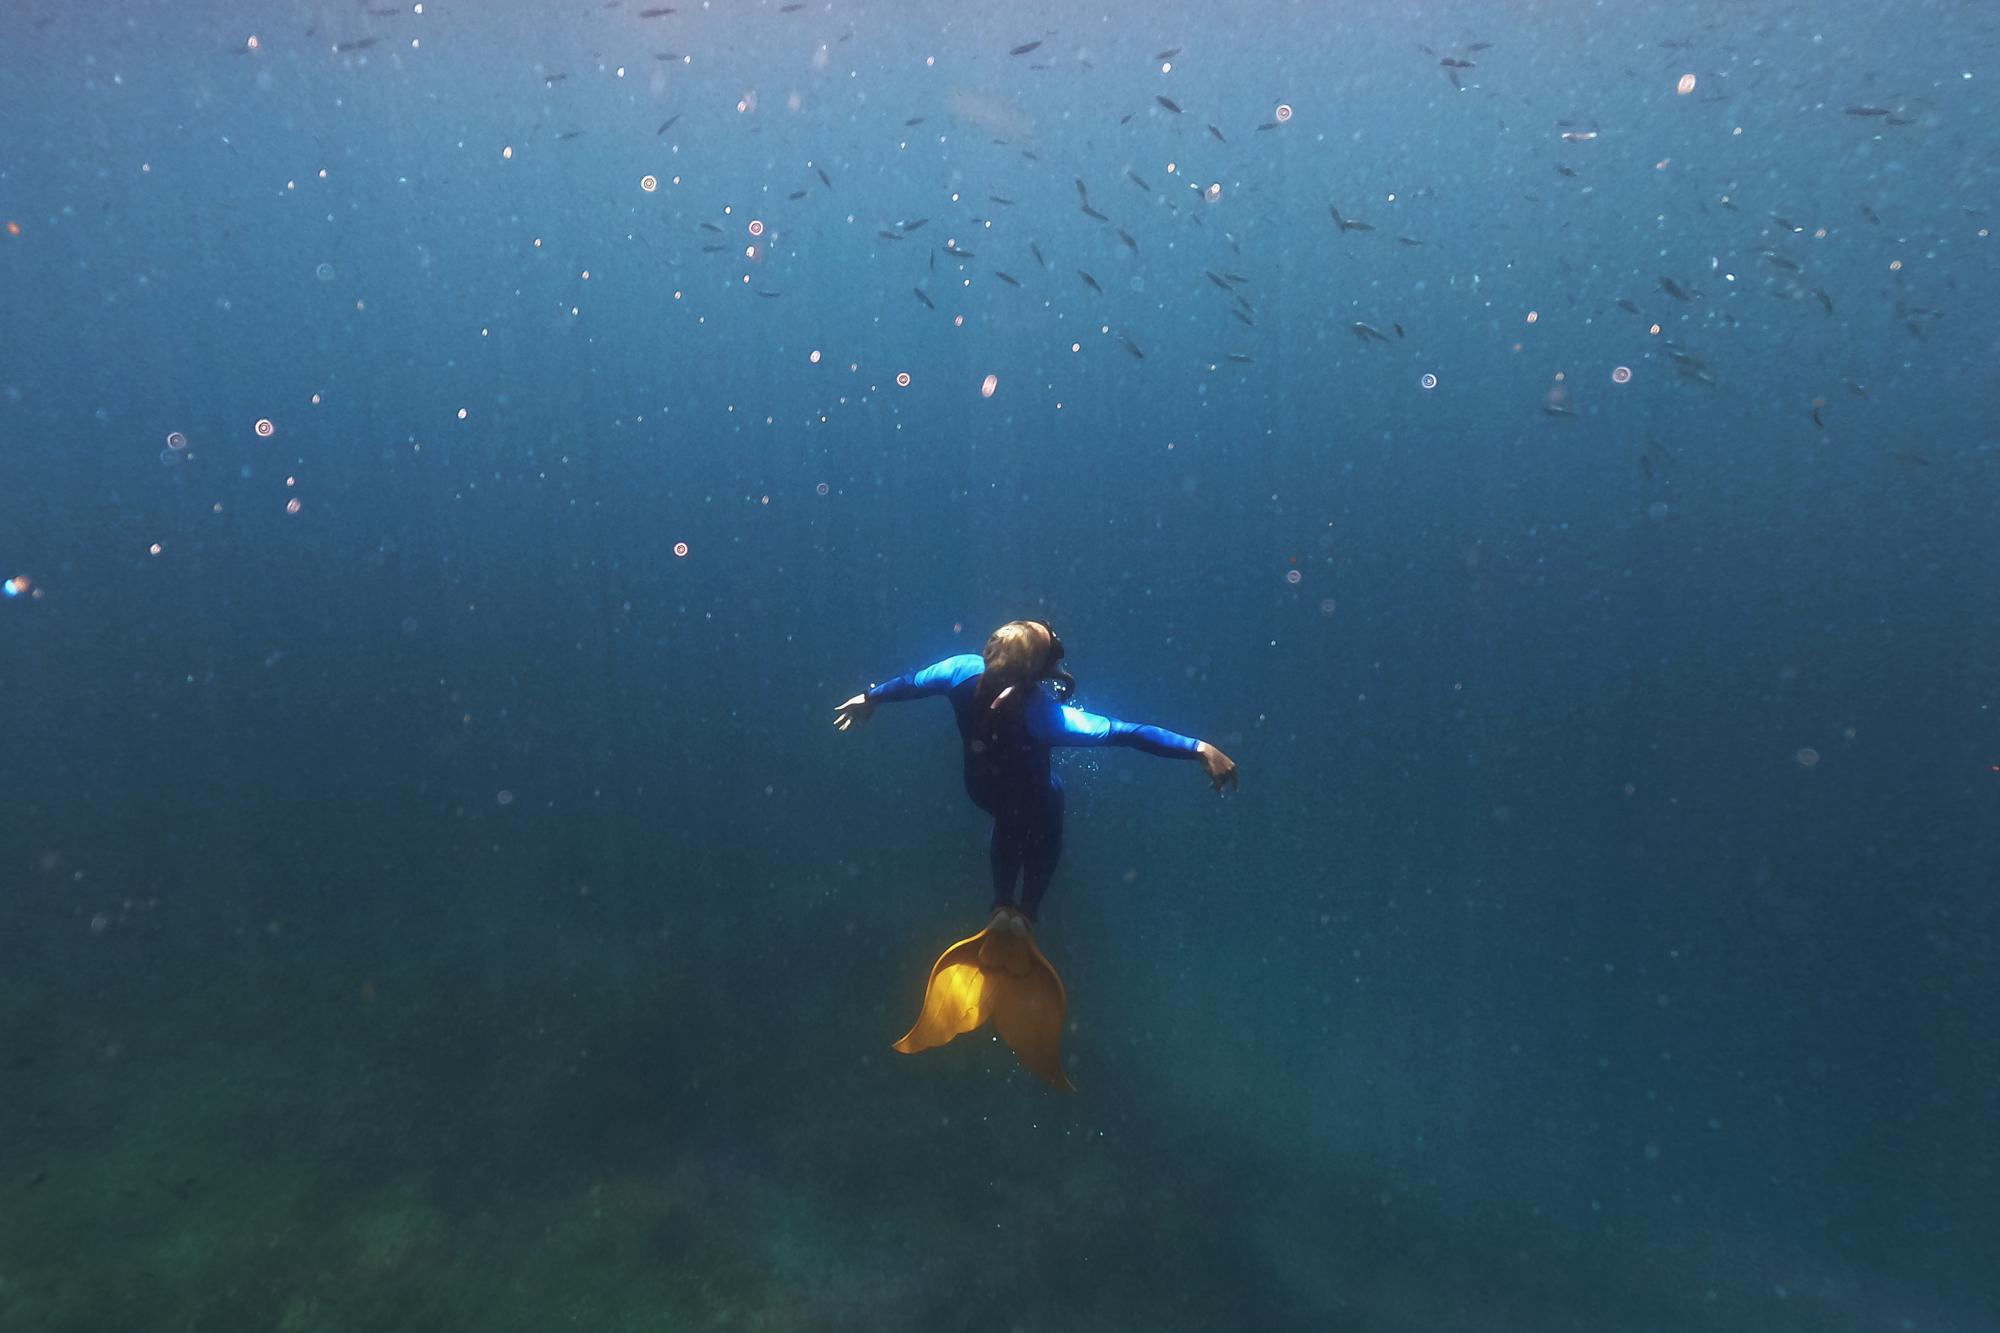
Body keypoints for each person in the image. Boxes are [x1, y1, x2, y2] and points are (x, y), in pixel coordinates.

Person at [835, 618, 1238, 1090]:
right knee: (1048, 798)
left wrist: (870, 698)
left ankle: (1002, 902)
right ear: (1038, 669)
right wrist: (1198, 748)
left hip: (981, 789)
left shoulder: (959, 670)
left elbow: (909, 684)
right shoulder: (1047, 717)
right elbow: (1127, 732)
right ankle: (1024, 913)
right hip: (1029, 795)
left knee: (1009, 813)